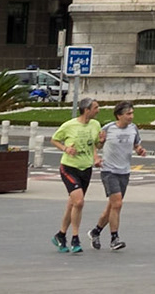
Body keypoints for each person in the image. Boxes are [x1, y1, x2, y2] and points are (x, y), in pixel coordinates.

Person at [89, 101, 147, 251]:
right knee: (117, 204)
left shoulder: (133, 129)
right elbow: (96, 145)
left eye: (132, 113)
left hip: (124, 171)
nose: (131, 117)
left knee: (112, 206)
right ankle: (114, 239)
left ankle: (96, 231)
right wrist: (96, 157)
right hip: (109, 171)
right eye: (128, 114)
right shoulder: (108, 129)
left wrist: (140, 150)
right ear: (119, 115)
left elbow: (136, 145)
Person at [51, 98, 104, 253]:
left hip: (85, 168)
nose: (98, 110)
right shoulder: (69, 125)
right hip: (69, 167)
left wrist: (101, 143)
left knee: (73, 204)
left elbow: (96, 145)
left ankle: (60, 235)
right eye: (96, 107)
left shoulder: (95, 125)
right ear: (86, 110)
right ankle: (75, 238)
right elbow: (54, 139)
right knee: (79, 202)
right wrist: (65, 148)